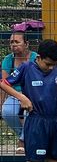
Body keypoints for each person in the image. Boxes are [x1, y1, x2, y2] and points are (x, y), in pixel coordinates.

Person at [2, 24, 40, 153]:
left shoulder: (36, 58)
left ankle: (22, 141)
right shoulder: (8, 60)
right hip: (14, 94)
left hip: (33, 94)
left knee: (28, 111)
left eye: (17, 42)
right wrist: (1, 103)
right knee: (7, 112)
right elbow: (4, 84)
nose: (13, 45)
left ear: (26, 44)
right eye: (11, 42)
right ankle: (24, 135)